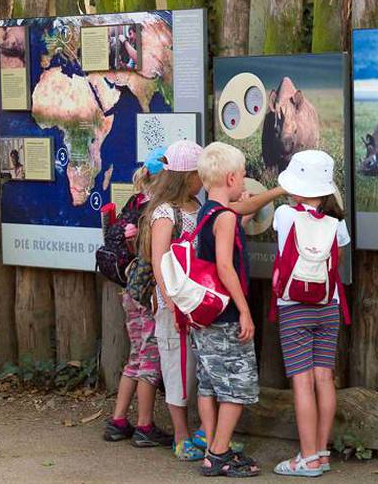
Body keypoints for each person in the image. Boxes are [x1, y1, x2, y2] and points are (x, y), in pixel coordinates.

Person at [270, 151, 350, 478]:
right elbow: (336, 262)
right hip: (327, 306)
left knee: (302, 383)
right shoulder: (337, 223)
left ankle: (307, 459)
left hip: (294, 309)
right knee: (324, 379)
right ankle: (321, 452)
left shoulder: (284, 216)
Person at [193, 142, 261, 477]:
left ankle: (211, 449)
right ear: (232, 177)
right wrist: (244, 310)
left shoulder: (207, 213)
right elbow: (224, 266)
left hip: (205, 317)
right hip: (226, 316)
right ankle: (219, 453)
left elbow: (225, 233)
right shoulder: (225, 219)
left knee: (209, 383)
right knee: (238, 384)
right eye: (244, 174)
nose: (245, 180)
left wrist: (242, 213)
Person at [140, 140, 206, 459]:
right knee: (178, 365)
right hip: (175, 305)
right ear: (186, 175)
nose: (204, 179)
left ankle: (202, 429)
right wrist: (169, 301)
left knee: (201, 366)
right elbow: (159, 259)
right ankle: (181, 434)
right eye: (199, 173)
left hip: (200, 301)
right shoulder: (166, 213)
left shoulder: (199, 206)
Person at [103, 149, 165, 447]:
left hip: (130, 291)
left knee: (136, 357)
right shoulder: (156, 210)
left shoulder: (135, 203)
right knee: (150, 358)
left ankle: (117, 420)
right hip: (147, 294)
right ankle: (144, 425)